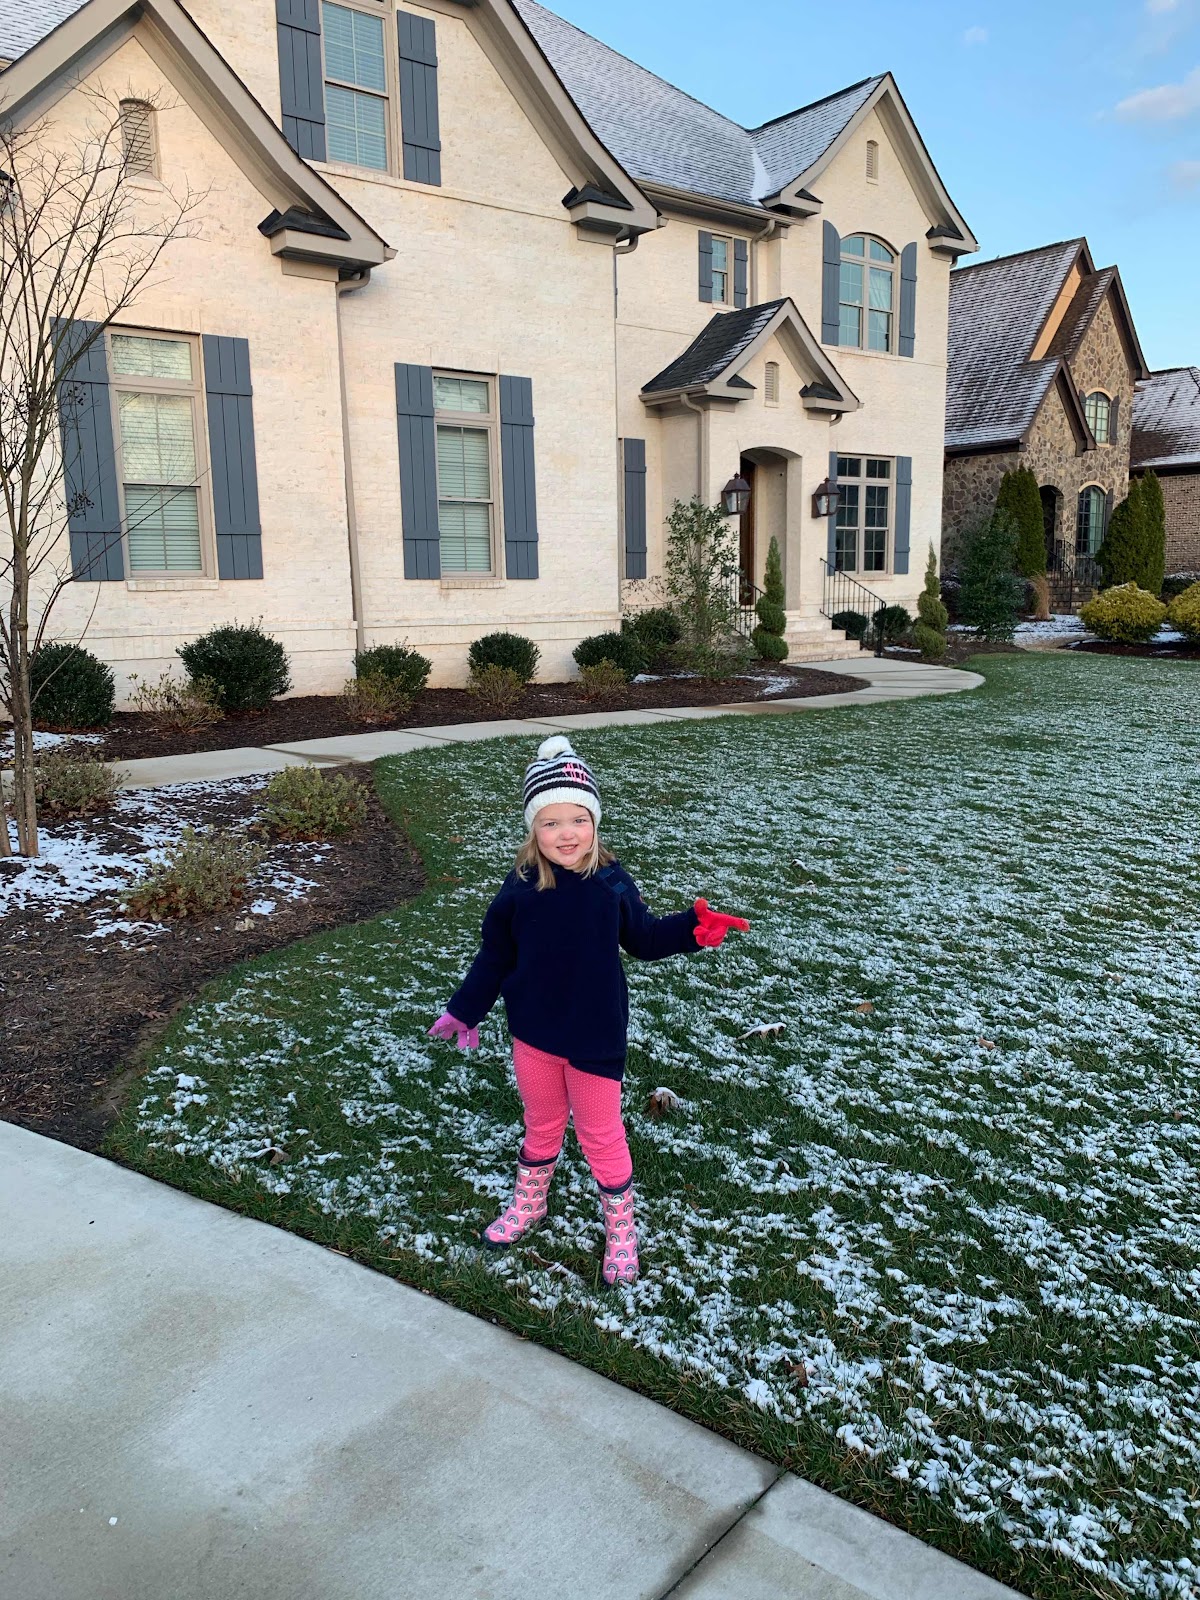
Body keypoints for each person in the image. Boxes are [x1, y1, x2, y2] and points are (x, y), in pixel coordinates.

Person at [428, 734, 748, 1285]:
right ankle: (530, 1202)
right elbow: (495, 956)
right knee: (542, 1123)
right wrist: (466, 1008)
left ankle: (621, 1226)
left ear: (595, 821)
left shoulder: (611, 882)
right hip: (533, 1033)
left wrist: (690, 931)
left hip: (595, 1037)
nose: (567, 833)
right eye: (551, 822)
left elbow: (643, 938)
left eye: (578, 819)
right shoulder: (520, 887)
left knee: (600, 1134)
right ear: (533, 829)